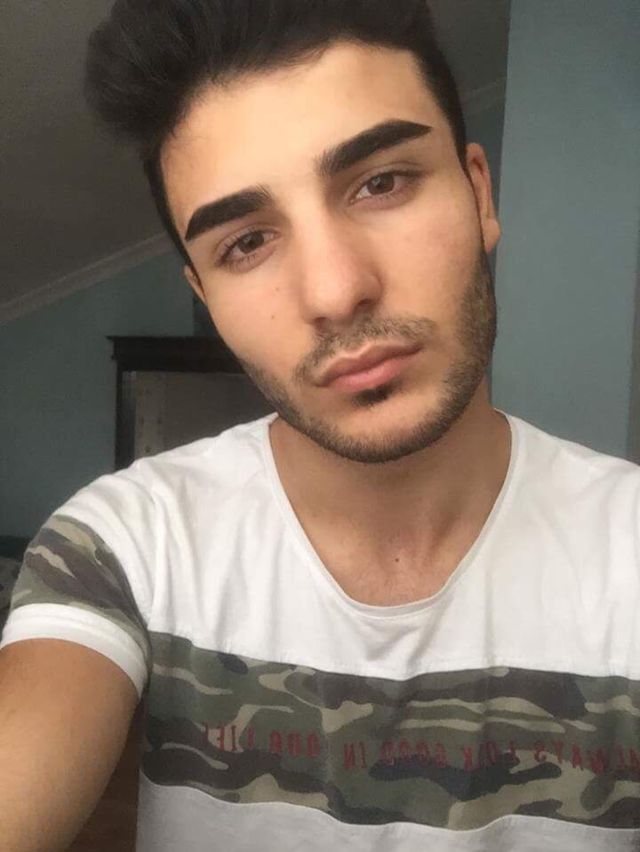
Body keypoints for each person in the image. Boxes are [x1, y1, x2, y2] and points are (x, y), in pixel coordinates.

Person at [1, 1, 639, 850]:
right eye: (246, 243)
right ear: (206, 297)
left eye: (382, 183)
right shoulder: (122, 546)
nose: (336, 290)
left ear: (479, 193)